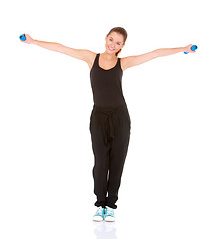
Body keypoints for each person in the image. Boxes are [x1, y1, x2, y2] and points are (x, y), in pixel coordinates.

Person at [20, 27, 196, 222]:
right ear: (106, 38)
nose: (113, 45)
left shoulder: (123, 62)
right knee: (101, 162)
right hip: (98, 118)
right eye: (111, 40)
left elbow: (154, 54)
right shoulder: (90, 58)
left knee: (117, 161)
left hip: (120, 117)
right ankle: (100, 203)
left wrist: (183, 49)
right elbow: (62, 48)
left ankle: (111, 205)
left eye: (118, 43)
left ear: (122, 46)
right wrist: (34, 42)